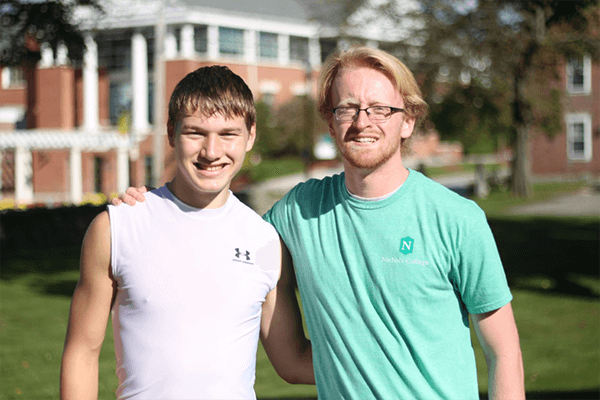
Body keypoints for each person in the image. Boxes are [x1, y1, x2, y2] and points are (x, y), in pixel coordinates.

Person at [117, 47, 525, 399]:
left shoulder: (457, 219)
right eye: (347, 108)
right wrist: (155, 206)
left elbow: (503, 352)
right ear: (330, 121)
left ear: (409, 121)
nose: (363, 121)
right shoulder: (296, 213)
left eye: (381, 109)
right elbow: (220, 233)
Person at [60, 65, 314, 400]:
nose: (211, 151)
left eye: (228, 134)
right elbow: (82, 353)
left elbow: (293, 361)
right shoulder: (117, 227)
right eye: (195, 133)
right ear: (171, 132)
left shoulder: (266, 241)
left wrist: (398, 359)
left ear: (250, 136)